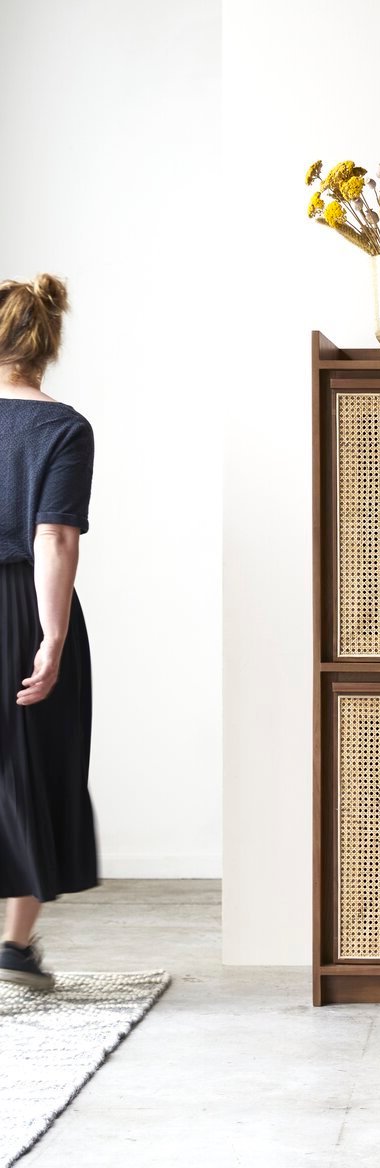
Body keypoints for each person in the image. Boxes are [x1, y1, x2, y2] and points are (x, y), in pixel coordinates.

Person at [0, 273, 97, 991]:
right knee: (31, 769)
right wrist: (52, 637)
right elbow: (54, 538)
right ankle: (13, 948)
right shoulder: (63, 427)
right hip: (22, 607)